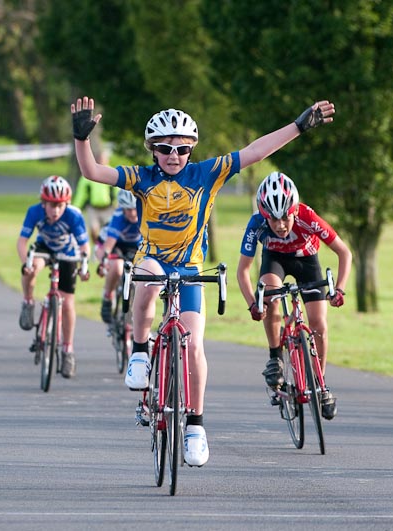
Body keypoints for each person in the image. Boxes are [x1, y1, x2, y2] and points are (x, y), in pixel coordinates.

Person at [71, 95, 335, 466]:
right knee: (148, 275)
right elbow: (94, 173)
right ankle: (139, 352)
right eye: (164, 148)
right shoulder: (142, 178)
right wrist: (81, 140)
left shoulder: (207, 173)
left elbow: (255, 152)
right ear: (153, 151)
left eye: (181, 148)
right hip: (153, 260)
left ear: (191, 149)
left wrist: (298, 126)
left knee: (194, 346)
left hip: (191, 268)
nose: (173, 155)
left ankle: (195, 424)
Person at [236, 172, 351, 420]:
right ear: (264, 215)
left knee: (318, 322)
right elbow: (243, 271)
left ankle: (319, 384)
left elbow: (344, 252)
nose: (280, 225)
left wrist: (338, 288)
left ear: (294, 210)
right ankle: (275, 356)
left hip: (306, 262)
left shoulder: (307, 216)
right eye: (273, 219)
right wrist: (252, 305)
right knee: (270, 299)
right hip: (274, 261)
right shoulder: (256, 224)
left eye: (285, 217)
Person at [17, 175, 91, 378]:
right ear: (43, 203)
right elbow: (22, 241)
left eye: (60, 205)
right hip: (45, 248)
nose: (56, 210)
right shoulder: (34, 212)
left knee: (67, 303)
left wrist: (84, 266)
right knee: (31, 269)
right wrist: (26, 263)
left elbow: (85, 247)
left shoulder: (74, 216)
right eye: (51, 205)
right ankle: (28, 302)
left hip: (68, 252)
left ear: (66, 203)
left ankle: (67, 350)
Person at [96, 189, 141, 324]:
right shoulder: (118, 217)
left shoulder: (146, 215)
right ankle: (107, 297)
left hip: (135, 247)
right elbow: (108, 245)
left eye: (135, 209)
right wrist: (103, 262)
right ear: (122, 208)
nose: (132, 213)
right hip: (113, 244)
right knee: (117, 267)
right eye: (128, 209)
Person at [73, 150, 116, 243]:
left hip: (108, 208)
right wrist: (76, 208)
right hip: (93, 208)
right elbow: (81, 194)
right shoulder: (89, 174)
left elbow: (117, 191)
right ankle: (97, 247)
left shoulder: (112, 173)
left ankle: (107, 251)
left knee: (108, 231)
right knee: (94, 230)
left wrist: (118, 204)